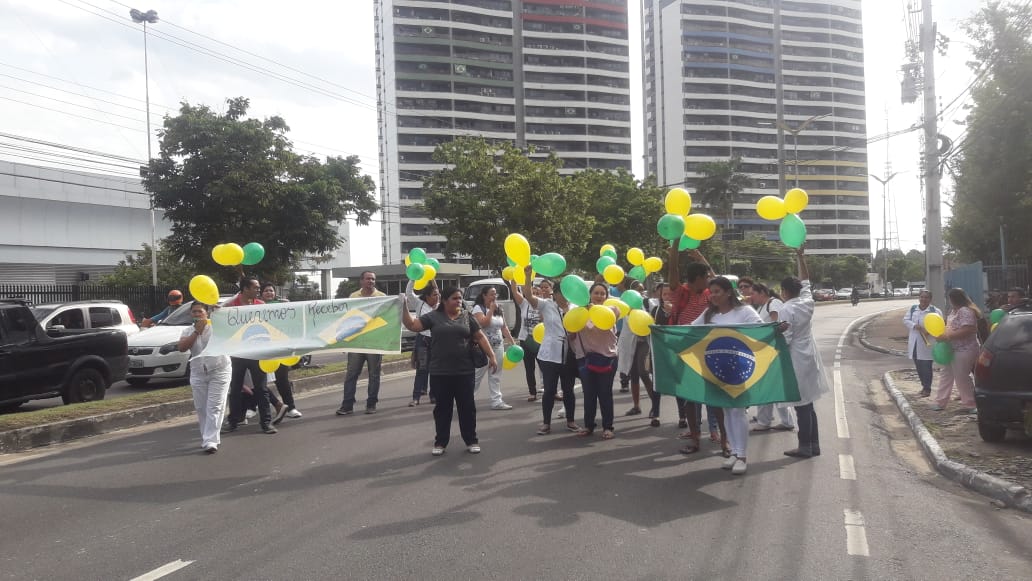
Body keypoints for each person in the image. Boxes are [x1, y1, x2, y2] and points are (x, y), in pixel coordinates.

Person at [401, 287, 498, 456]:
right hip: (440, 372)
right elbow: (412, 325)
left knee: (467, 408)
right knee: (442, 409)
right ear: (444, 301)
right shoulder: (433, 317)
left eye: (460, 298)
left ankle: (471, 440)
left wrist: (492, 356)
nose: (459, 301)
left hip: (465, 371)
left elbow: (480, 336)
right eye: (455, 298)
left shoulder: (467, 316)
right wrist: (403, 306)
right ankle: (440, 442)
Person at [691, 276, 764, 475]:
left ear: (728, 293)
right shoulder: (709, 314)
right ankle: (734, 451)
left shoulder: (744, 312)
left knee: (738, 411)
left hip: (738, 370)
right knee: (725, 411)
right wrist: (662, 330)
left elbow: (762, 331)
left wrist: (778, 328)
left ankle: (742, 456)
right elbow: (688, 330)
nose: (713, 296)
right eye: (711, 292)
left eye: (717, 292)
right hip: (715, 370)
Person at [666, 243, 728, 452]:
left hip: (709, 350)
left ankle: (725, 440)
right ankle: (695, 439)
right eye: (705, 278)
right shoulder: (679, 293)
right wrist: (675, 246)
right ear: (696, 279)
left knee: (715, 397)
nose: (709, 280)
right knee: (690, 398)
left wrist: (700, 256)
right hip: (685, 351)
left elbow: (717, 278)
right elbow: (673, 271)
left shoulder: (710, 293)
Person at [778, 246, 831, 459]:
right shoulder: (807, 301)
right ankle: (814, 444)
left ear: (784, 291)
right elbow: (807, 281)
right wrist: (801, 256)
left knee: (802, 405)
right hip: (809, 355)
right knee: (809, 403)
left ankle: (805, 446)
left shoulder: (786, 308)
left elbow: (786, 338)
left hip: (796, 358)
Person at [520, 269, 580, 435]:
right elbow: (528, 296)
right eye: (563, 292)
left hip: (568, 354)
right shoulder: (547, 305)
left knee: (568, 390)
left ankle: (571, 421)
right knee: (550, 390)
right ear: (557, 293)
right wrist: (527, 276)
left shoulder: (575, 308)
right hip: (549, 355)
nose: (566, 295)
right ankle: (546, 423)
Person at [222, 276, 277, 435]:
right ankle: (233, 421)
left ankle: (266, 423)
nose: (258, 290)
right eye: (255, 288)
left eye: (259, 288)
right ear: (245, 289)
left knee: (261, 388)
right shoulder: (232, 305)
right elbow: (220, 318)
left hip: (257, 353)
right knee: (236, 388)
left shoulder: (260, 305)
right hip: (238, 354)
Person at [569, 282, 621, 440]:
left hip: (607, 359)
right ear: (589, 295)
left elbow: (613, 316)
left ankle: (608, 427)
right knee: (589, 394)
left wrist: (594, 309)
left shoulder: (612, 310)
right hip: (585, 359)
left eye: (602, 293)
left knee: (605, 394)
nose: (599, 296)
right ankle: (588, 425)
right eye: (596, 293)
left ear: (607, 296)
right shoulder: (580, 312)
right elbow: (571, 333)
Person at [177, 302, 230, 453]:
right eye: (194, 312)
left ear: (206, 313)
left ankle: (210, 441)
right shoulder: (188, 330)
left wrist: (221, 313)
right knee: (201, 407)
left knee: (214, 406)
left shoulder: (216, 328)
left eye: (200, 311)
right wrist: (196, 332)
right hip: (198, 372)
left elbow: (231, 330)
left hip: (219, 370)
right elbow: (181, 348)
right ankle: (209, 437)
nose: (197, 314)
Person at [337, 271, 387, 416]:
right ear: (361, 281)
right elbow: (347, 319)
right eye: (368, 279)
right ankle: (347, 405)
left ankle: (371, 404)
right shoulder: (353, 297)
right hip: (356, 343)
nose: (371, 281)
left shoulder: (383, 297)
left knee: (374, 375)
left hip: (374, 343)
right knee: (351, 374)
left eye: (373, 279)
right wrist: (344, 340)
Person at [749, 283, 796, 431]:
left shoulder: (773, 303)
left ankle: (765, 421)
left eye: (753, 293)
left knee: (765, 386)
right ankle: (785, 421)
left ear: (762, 292)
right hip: (767, 351)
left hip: (772, 351)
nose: (751, 297)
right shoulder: (762, 307)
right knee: (773, 387)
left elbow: (777, 325)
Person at [932, 288, 980, 413]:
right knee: (946, 374)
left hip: (965, 349)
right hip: (951, 348)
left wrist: (948, 336)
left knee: (961, 377)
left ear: (953, 299)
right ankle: (940, 402)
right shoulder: (953, 311)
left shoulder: (965, 311)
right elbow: (950, 327)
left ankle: (970, 404)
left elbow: (968, 329)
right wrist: (942, 336)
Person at [261, 282, 302, 421]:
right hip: (262, 348)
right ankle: (252, 408)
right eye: (266, 291)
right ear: (261, 294)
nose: (269, 293)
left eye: (271, 291)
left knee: (282, 378)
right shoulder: (255, 307)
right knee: (258, 381)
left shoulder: (282, 306)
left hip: (280, 347)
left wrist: (288, 305)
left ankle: (290, 407)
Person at [472, 285, 515, 410]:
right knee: (477, 376)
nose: (494, 296)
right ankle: (467, 400)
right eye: (491, 294)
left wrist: (512, 342)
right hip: (483, 348)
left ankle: (496, 401)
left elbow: (504, 327)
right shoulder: (478, 308)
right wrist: (490, 310)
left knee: (495, 374)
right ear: (484, 295)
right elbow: (483, 323)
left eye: (495, 294)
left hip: (498, 346)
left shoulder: (498, 308)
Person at [406, 279, 440, 406]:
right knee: (422, 369)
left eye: (438, 295)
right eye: (434, 295)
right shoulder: (419, 303)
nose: (437, 297)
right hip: (423, 340)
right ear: (427, 296)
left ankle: (434, 396)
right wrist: (413, 277)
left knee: (435, 370)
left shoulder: (439, 306)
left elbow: (438, 293)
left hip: (437, 341)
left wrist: (433, 279)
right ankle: (416, 397)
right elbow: (409, 292)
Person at [903, 290, 941, 398]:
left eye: (926, 297)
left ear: (930, 299)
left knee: (926, 365)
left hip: (927, 343)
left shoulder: (935, 311)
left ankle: (927, 388)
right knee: (918, 365)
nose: (924, 299)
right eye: (922, 297)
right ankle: (923, 386)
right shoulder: (913, 309)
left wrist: (929, 331)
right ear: (919, 298)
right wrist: (915, 325)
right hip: (915, 342)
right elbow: (905, 320)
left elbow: (940, 324)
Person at [509, 278, 543, 401]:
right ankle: (532, 392)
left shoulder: (544, 305)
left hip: (541, 341)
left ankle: (551, 390)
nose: (534, 295)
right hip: (526, 340)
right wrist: (514, 278)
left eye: (537, 293)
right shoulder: (524, 303)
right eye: (532, 292)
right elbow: (514, 291)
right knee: (529, 368)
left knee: (545, 368)